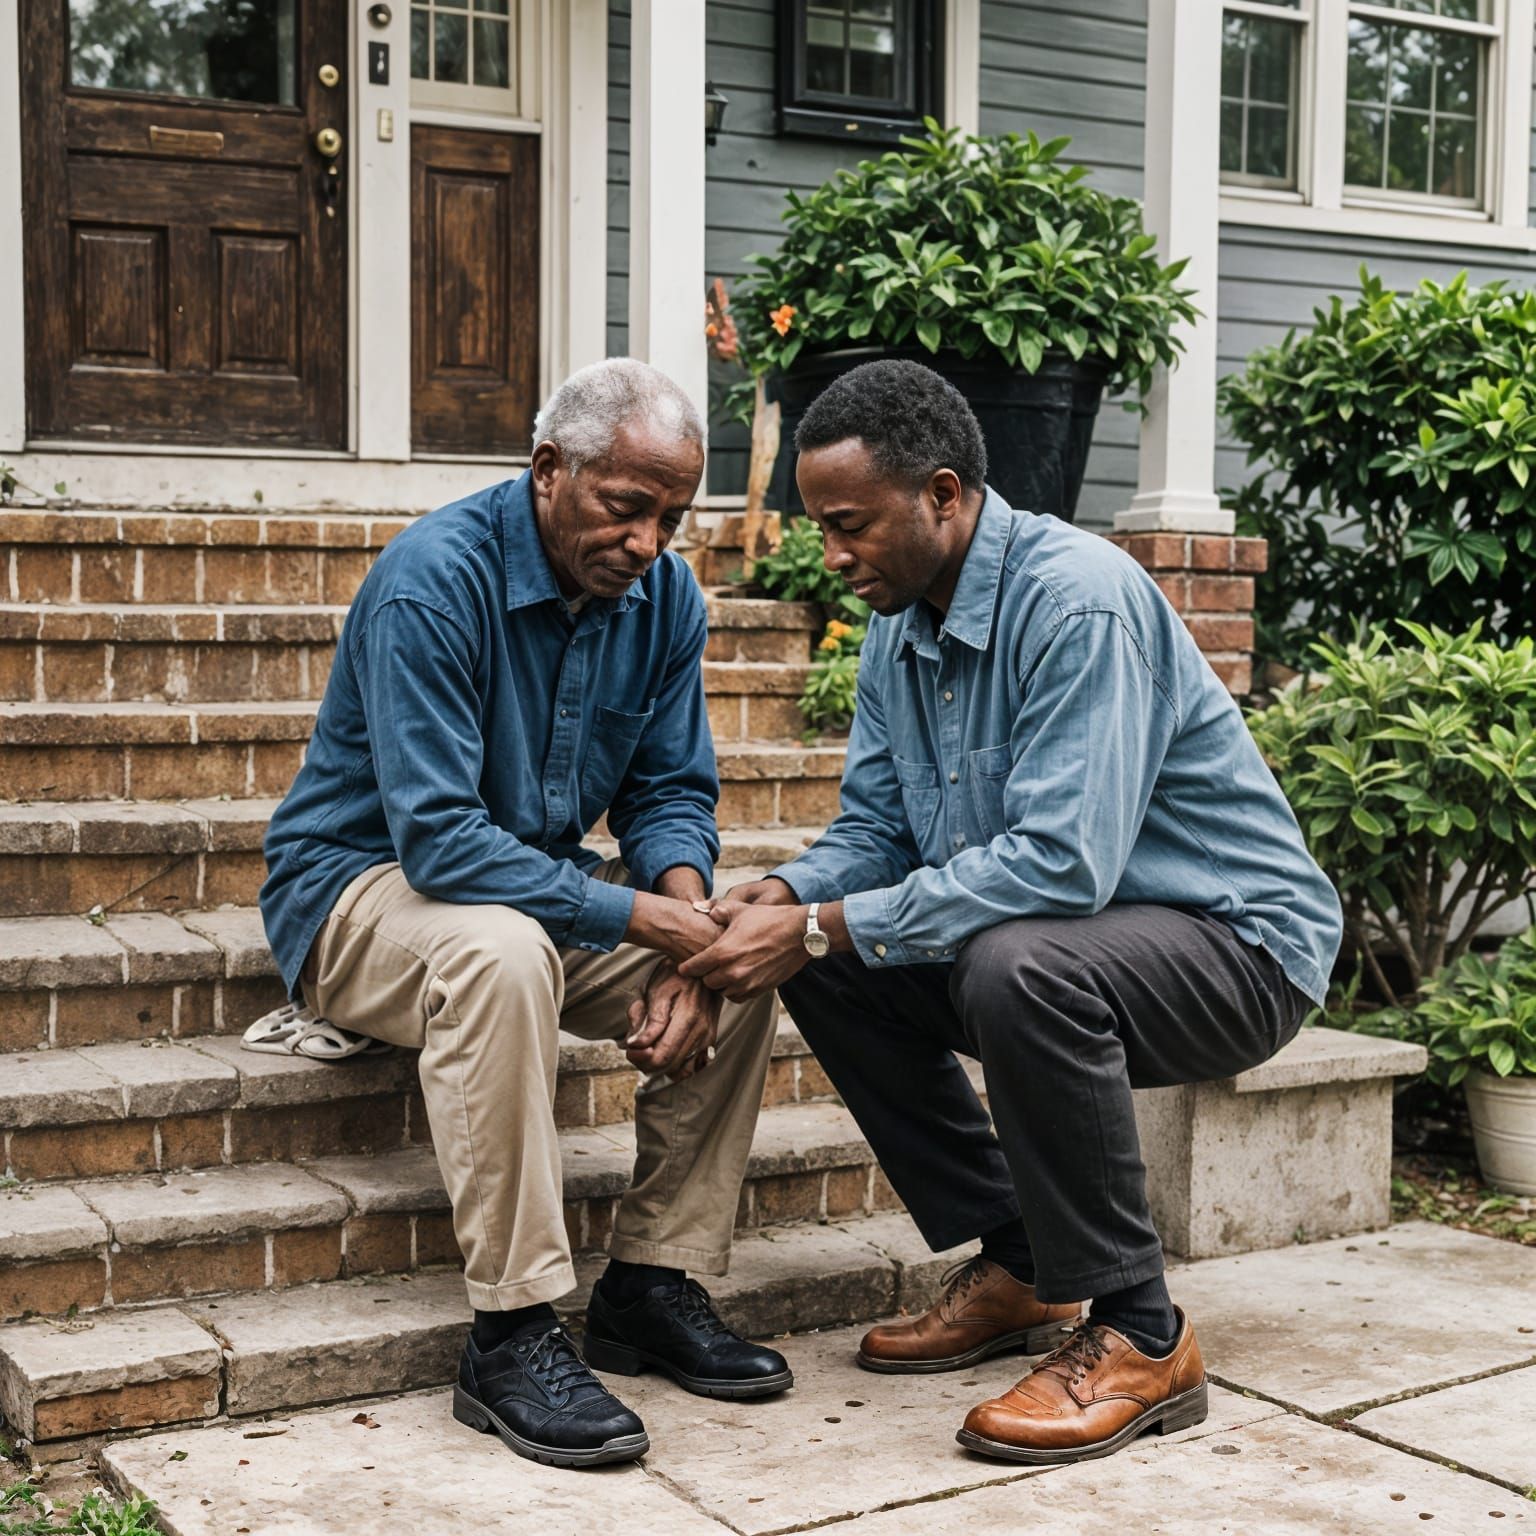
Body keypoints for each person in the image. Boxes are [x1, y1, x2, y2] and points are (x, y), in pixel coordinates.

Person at [681, 358, 1343, 1467]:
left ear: (942, 495)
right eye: (821, 527)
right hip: (1075, 942)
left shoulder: (1078, 601)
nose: (829, 555)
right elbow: (878, 831)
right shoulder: (899, 624)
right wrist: (789, 896)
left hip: (1237, 946)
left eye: (849, 525)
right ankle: (1026, 1263)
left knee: (1014, 962)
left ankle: (1143, 1332)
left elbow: (1062, 866)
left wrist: (824, 918)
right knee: (830, 955)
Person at [259, 359, 789, 1471]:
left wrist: (690, 929)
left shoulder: (665, 598)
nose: (647, 542)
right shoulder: (432, 581)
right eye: (626, 507)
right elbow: (441, 842)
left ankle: (650, 1282)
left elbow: (669, 792)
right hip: (359, 891)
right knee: (499, 954)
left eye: (672, 519)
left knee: (748, 949)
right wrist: (647, 922)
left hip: (536, 884)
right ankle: (510, 1333)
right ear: (550, 468)